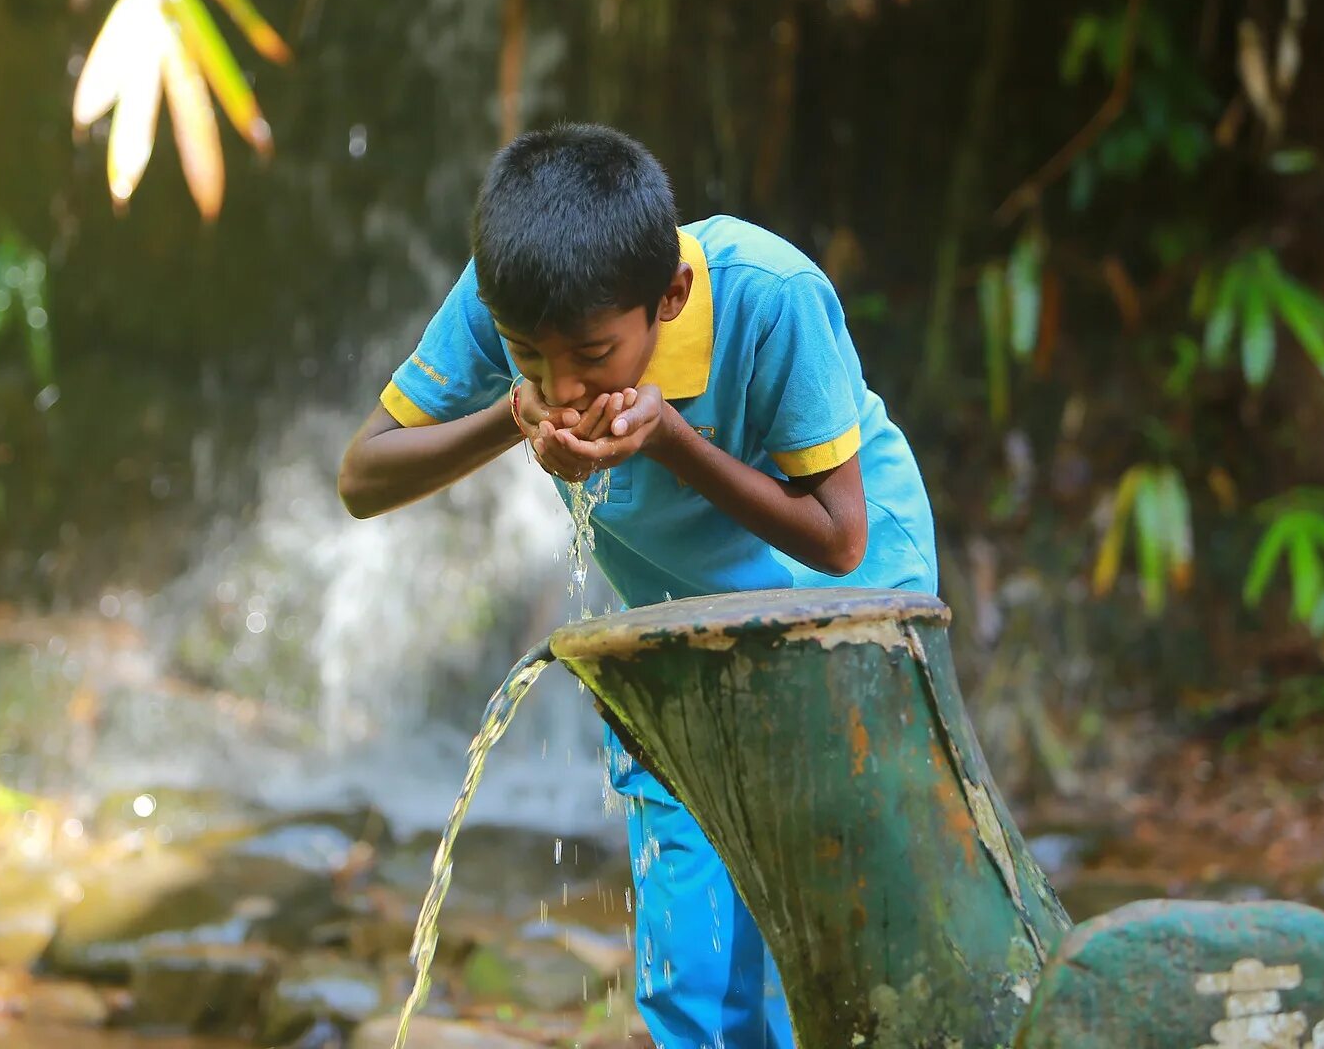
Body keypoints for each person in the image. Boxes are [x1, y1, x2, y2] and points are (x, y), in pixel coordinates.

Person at [337, 122, 937, 1049]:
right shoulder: (512, 299)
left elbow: (838, 537)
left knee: (822, 917)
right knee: (690, 962)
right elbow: (363, 476)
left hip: (845, 594)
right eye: (530, 358)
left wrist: (667, 439)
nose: (564, 388)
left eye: (591, 357)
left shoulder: (767, 295)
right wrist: (508, 410)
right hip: (674, 615)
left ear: (671, 297)